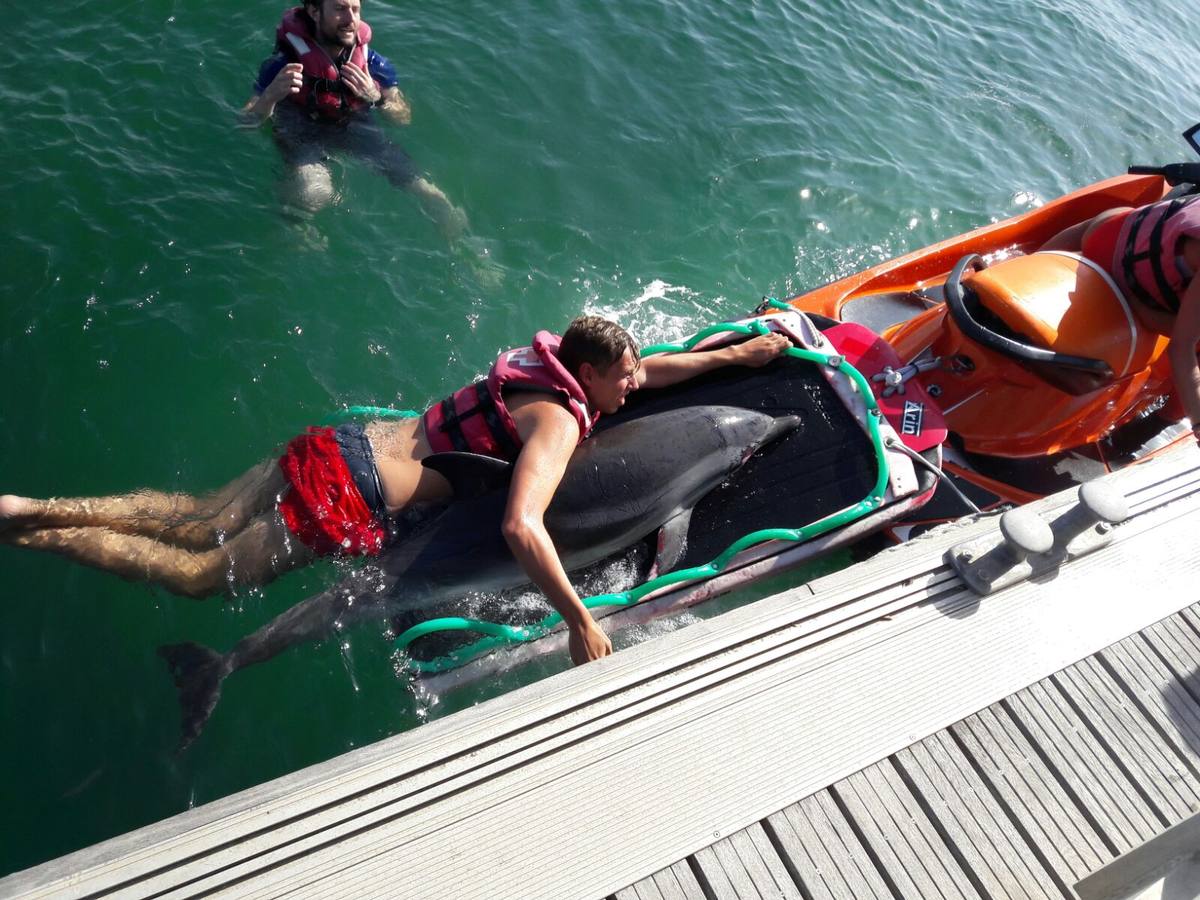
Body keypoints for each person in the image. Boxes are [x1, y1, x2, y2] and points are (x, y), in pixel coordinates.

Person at [0, 317, 790, 665]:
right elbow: (520, 527)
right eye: (621, 380)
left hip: (339, 443)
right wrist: (580, 621)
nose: (634, 387)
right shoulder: (554, 425)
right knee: (202, 574)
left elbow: (657, 367)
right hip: (350, 494)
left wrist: (736, 357)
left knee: (198, 514)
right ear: (587, 377)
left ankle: (28, 509)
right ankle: (38, 538)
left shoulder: (545, 361)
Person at [241, 0, 467, 240]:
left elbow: (403, 118)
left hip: (353, 125)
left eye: (355, 9)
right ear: (315, 12)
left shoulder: (372, 64)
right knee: (314, 190)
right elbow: (246, 122)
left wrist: (377, 98)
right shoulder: (285, 64)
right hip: (301, 127)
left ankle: (467, 249)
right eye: (340, 9)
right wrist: (270, 96)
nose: (351, 19)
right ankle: (293, 227)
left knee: (428, 192)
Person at [1042, 195, 1200, 445]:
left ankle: (1030, 260)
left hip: (1104, 237)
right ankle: (1153, 425)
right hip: (1124, 291)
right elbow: (1182, 348)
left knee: (1116, 216)